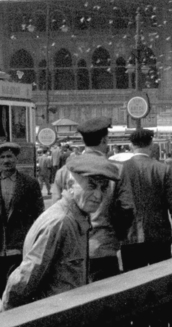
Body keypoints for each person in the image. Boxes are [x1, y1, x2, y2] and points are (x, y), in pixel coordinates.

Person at [1, 153, 115, 310]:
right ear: (69, 185)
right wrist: (4, 324)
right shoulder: (60, 223)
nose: (98, 195)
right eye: (91, 186)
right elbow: (22, 281)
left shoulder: (77, 216)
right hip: (53, 319)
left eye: (104, 188)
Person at [51, 117, 132, 282]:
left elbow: (56, 210)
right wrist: (117, 237)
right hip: (103, 248)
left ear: (83, 140)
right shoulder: (117, 170)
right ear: (105, 140)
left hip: (71, 250)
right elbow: (127, 209)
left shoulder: (64, 171)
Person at [0, 142, 44, 293]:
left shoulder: (30, 183)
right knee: (0, 287)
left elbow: (39, 216)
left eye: (10, 156)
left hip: (20, 247)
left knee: (19, 286)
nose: (6, 160)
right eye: (2, 157)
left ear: (16, 159)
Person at [116, 129, 172, 271]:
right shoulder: (162, 169)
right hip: (159, 235)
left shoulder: (120, 169)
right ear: (151, 144)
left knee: (133, 282)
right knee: (161, 279)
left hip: (130, 235)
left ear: (131, 145)